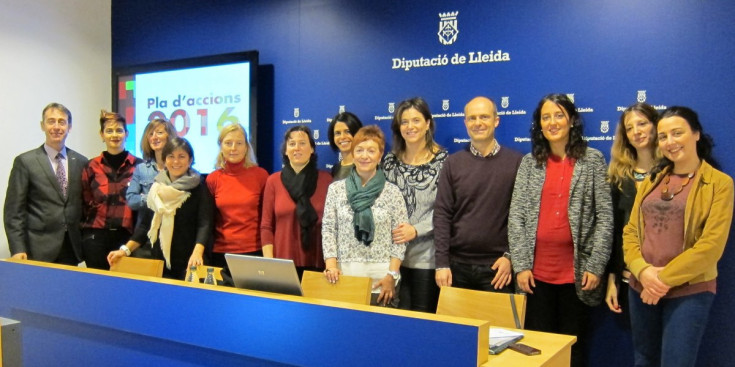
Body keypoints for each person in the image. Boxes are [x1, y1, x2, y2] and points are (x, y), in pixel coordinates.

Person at [623, 106, 733, 367]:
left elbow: (710, 247)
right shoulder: (652, 180)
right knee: (644, 360)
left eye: (677, 133)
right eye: (663, 136)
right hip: (641, 287)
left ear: (695, 134)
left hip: (689, 292)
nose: (669, 142)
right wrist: (643, 272)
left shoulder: (720, 184)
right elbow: (630, 232)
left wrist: (661, 280)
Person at [509, 93, 613, 367]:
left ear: (571, 121)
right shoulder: (529, 164)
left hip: (576, 276)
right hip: (535, 276)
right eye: (546, 117)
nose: (552, 122)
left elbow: (604, 217)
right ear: (539, 125)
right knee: (537, 351)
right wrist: (520, 265)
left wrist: (596, 264)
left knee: (572, 350)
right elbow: (516, 216)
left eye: (559, 115)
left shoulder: (592, 160)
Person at [434, 97, 522, 293]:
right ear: (465, 123)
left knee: (496, 324)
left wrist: (510, 257)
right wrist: (441, 263)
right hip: (456, 268)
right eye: (472, 118)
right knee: (457, 325)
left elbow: (522, 218)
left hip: (498, 268)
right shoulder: (452, 164)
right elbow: (442, 215)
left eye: (484, 117)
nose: (478, 123)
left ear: (496, 120)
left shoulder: (517, 162)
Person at [322, 125, 409, 307]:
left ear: (380, 154)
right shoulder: (336, 189)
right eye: (359, 150)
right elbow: (329, 229)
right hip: (344, 280)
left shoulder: (392, 192)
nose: (364, 156)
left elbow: (400, 238)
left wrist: (392, 275)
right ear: (352, 154)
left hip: (382, 282)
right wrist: (331, 265)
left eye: (371, 150)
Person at [108, 137, 213, 279]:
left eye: (181, 156)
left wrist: (197, 253)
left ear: (190, 160)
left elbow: (204, 224)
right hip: (159, 262)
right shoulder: (156, 188)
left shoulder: (199, 186)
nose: (176, 161)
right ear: (164, 160)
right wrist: (125, 250)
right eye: (171, 156)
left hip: (190, 263)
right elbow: (145, 226)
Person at [383, 97, 447, 312]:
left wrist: (416, 230)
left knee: (422, 323)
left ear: (428, 123)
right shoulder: (389, 162)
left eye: (416, 120)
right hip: (391, 260)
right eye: (404, 122)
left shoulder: (444, 162)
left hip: (426, 260)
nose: (410, 127)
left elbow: (447, 210)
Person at [4, 103, 88, 265]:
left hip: (70, 247)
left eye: (61, 122)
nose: (56, 127)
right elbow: (14, 211)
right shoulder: (25, 162)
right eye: (51, 121)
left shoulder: (81, 162)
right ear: (42, 125)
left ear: (69, 127)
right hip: (36, 248)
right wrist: (17, 248)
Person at [605, 103, 658, 318]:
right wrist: (612, 279)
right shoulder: (619, 178)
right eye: (629, 128)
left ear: (656, 126)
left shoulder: (673, 171)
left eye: (642, 123)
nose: (636, 131)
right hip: (631, 278)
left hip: (669, 278)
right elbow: (615, 233)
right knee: (643, 351)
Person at [261, 125, 331, 277]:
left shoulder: (327, 180)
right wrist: (269, 261)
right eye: (292, 144)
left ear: (312, 149)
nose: (297, 148)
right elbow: (266, 226)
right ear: (286, 150)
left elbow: (333, 226)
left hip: (318, 264)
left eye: (302, 143)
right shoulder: (273, 181)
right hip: (281, 265)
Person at [80, 110, 142, 270]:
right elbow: (85, 201)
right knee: (98, 289)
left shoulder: (139, 166)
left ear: (126, 134)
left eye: (119, 130)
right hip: (96, 238)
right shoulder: (91, 166)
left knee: (125, 289)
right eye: (109, 131)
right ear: (102, 135)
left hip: (127, 239)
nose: (114, 135)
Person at [207, 123, 268, 268]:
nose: (233, 148)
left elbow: (267, 219)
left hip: (254, 252)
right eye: (228, 143)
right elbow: (209, 219)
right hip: (221, 254)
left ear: (246, 147)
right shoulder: (212, 179)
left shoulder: (261, 175)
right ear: (221, 147)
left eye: (239, 143)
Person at [125, 118, 176, 258]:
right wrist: (152, 198)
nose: (154, 137)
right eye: (151, 134)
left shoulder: (178, 168)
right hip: (144, 239)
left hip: (173, 239)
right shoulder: (141, 169)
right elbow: (131, 200)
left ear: (169, 136)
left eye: (159, 132)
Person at [328, 111, 363, 180]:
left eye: (347, 132)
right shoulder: (335, 169)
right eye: (338, 133)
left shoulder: (366, 165)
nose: (342, 137)